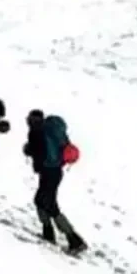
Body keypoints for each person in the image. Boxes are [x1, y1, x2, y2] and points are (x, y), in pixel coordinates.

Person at [23, 109, 87, 254]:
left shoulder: (36, 132)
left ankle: (74, 240)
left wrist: (28, 150)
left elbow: (38, 151)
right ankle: (49, 234)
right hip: (56, 171)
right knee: (44, 201)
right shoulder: (51, 129)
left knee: (46, 203)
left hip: (48, 172)